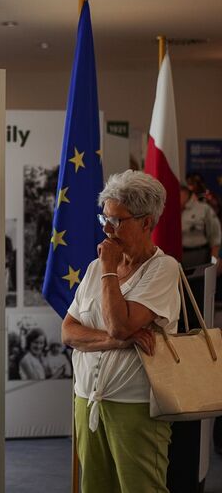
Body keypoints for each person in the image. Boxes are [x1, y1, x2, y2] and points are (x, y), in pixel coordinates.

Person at [62, 169, 180, 492]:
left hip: (136, 406)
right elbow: (69, 332)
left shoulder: (164, 269)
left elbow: (120, 323)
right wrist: (115, 342)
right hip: (87, 400)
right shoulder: (94, 268)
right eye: (105, 220)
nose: (108, 230)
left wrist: (110, 272)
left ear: (146, 223)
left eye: (117, 221)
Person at [180, 184, 222, 269]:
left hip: (200, 255)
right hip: (176, 259)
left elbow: (215, 238)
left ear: (185, 193)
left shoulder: (203, 209)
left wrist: (213, 264)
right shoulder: (169, 210)